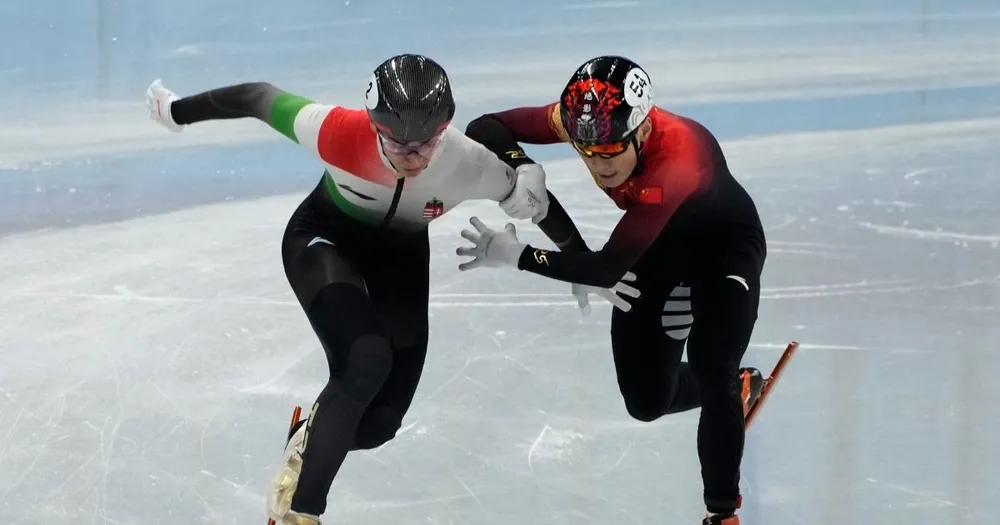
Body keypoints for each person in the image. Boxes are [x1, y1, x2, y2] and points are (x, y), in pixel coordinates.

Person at [144, 53, 638, 525]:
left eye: (427, 142)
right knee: (366, 360)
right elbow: (257, 96)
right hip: (324, 240)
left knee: (379, 426)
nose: (414, 156)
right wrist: (176, 113)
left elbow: (536, 200)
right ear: (373, 122)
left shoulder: (469, 163)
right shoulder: (337, 131)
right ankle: (300, 511)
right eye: (398, 143)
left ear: (445, 128)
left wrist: (578, 263)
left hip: (399, 258)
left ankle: (310, 435)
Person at [457, 55, 768, 525]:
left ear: (641, 132)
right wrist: (523, 166)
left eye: (607, 154)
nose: (597, 165)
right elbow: (487, 125)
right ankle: (741, 385)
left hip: (724, 249)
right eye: (584, 152)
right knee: (646, 403)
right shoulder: (588, 123)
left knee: (711, 364)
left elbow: (605, 269)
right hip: (659, 243)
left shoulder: (676, 162)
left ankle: (722, 512)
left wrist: (516, 255)